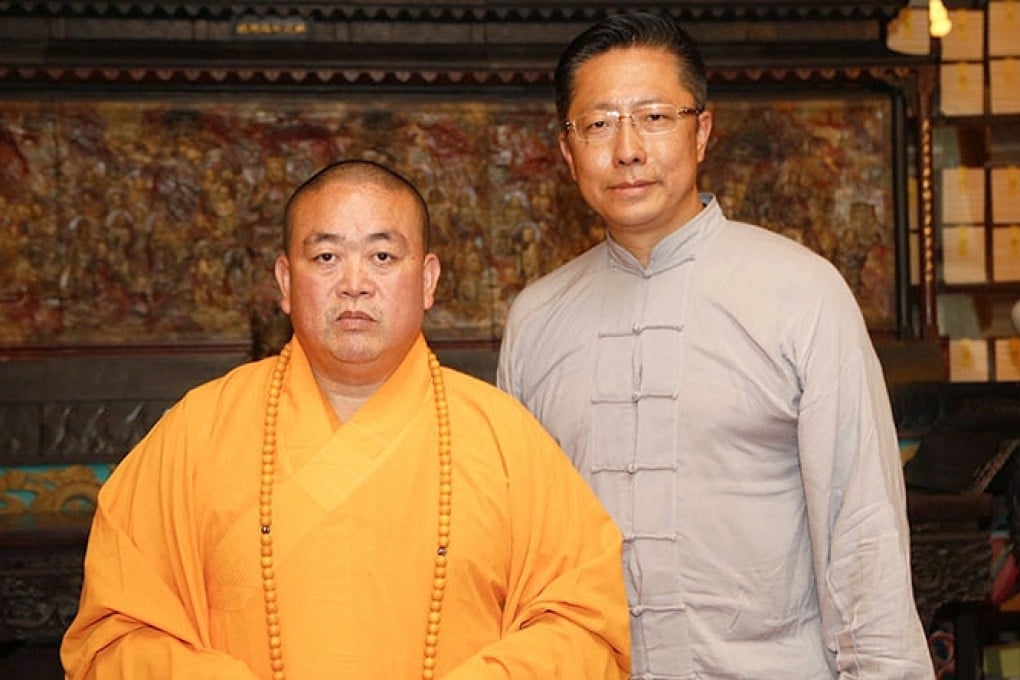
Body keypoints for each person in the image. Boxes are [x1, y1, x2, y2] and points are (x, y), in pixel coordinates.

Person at [61, 159, 631, 679]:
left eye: (382, 257)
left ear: (427, 280)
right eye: (326, 257)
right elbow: (112, 637)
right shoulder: (197, 432)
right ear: (286, 282)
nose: (354, 283)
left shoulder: (505, 439)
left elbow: (585, 628)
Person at [497, 11, 934, 679]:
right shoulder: (536, 320)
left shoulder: (801, 294)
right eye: (599, 123)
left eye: (654, 117)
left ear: (701, 132)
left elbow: (862, 531)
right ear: (567, 149)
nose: (627, 149)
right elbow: (520, 551)